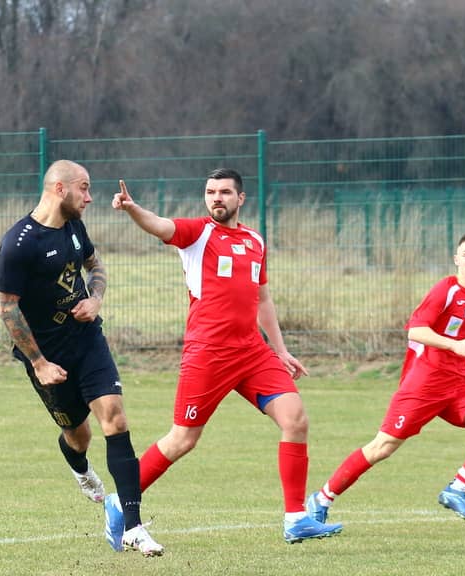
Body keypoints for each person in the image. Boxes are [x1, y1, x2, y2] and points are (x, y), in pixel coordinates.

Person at [111, 167, 343, 544]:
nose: (216, 198)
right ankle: (119, 502)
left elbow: (262, 299)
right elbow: (160, 225)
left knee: (296, 420)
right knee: (183, 439)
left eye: (224, 192)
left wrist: (280, 350)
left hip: (252, 352)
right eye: (210, 192)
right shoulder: (197, 233)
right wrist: (133, 209)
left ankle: (296, 517)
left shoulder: (255, 240)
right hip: (209, 353)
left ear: (240, 198)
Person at [0, 160, 163, 557]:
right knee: (79, 435)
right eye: (83, 188)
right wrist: (39, 363)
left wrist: (95, 298)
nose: (89, 197)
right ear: (59, 188)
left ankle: (133, 527)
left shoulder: (74, 227)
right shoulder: (19, 243)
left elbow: (95, 265)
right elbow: (8, 308)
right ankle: (80, 467)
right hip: (48, 355)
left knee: (115, 418)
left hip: (87, 340)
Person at [305, 233, 465, 525]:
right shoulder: (445, 291)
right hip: (424, 384)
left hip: (458, 387)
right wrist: (454, 345)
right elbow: (416, 330)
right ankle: (322, 498)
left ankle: (457, 489)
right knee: (383, 447)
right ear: (456, 259)